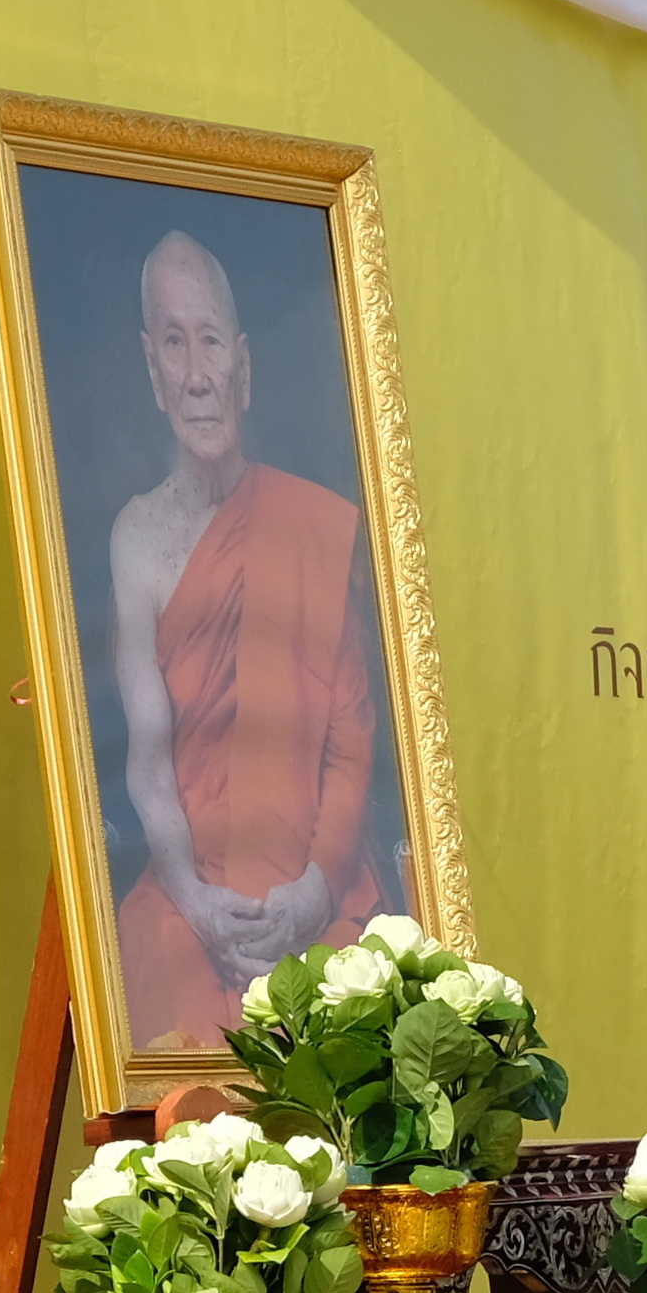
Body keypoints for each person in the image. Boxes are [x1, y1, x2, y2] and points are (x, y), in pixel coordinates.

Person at [106, 226, 395, 1047]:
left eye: (209, 343)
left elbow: (351, 736)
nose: (198, 376)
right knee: (163, 981)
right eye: (173, 344)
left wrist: (310, 891)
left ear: (243, 365)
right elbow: (149, 763)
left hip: (314, 885)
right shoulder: (136, 540)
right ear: (153, 371)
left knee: (353, 1009)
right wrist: (198, 905)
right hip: (190, 897)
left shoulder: (306, 524)